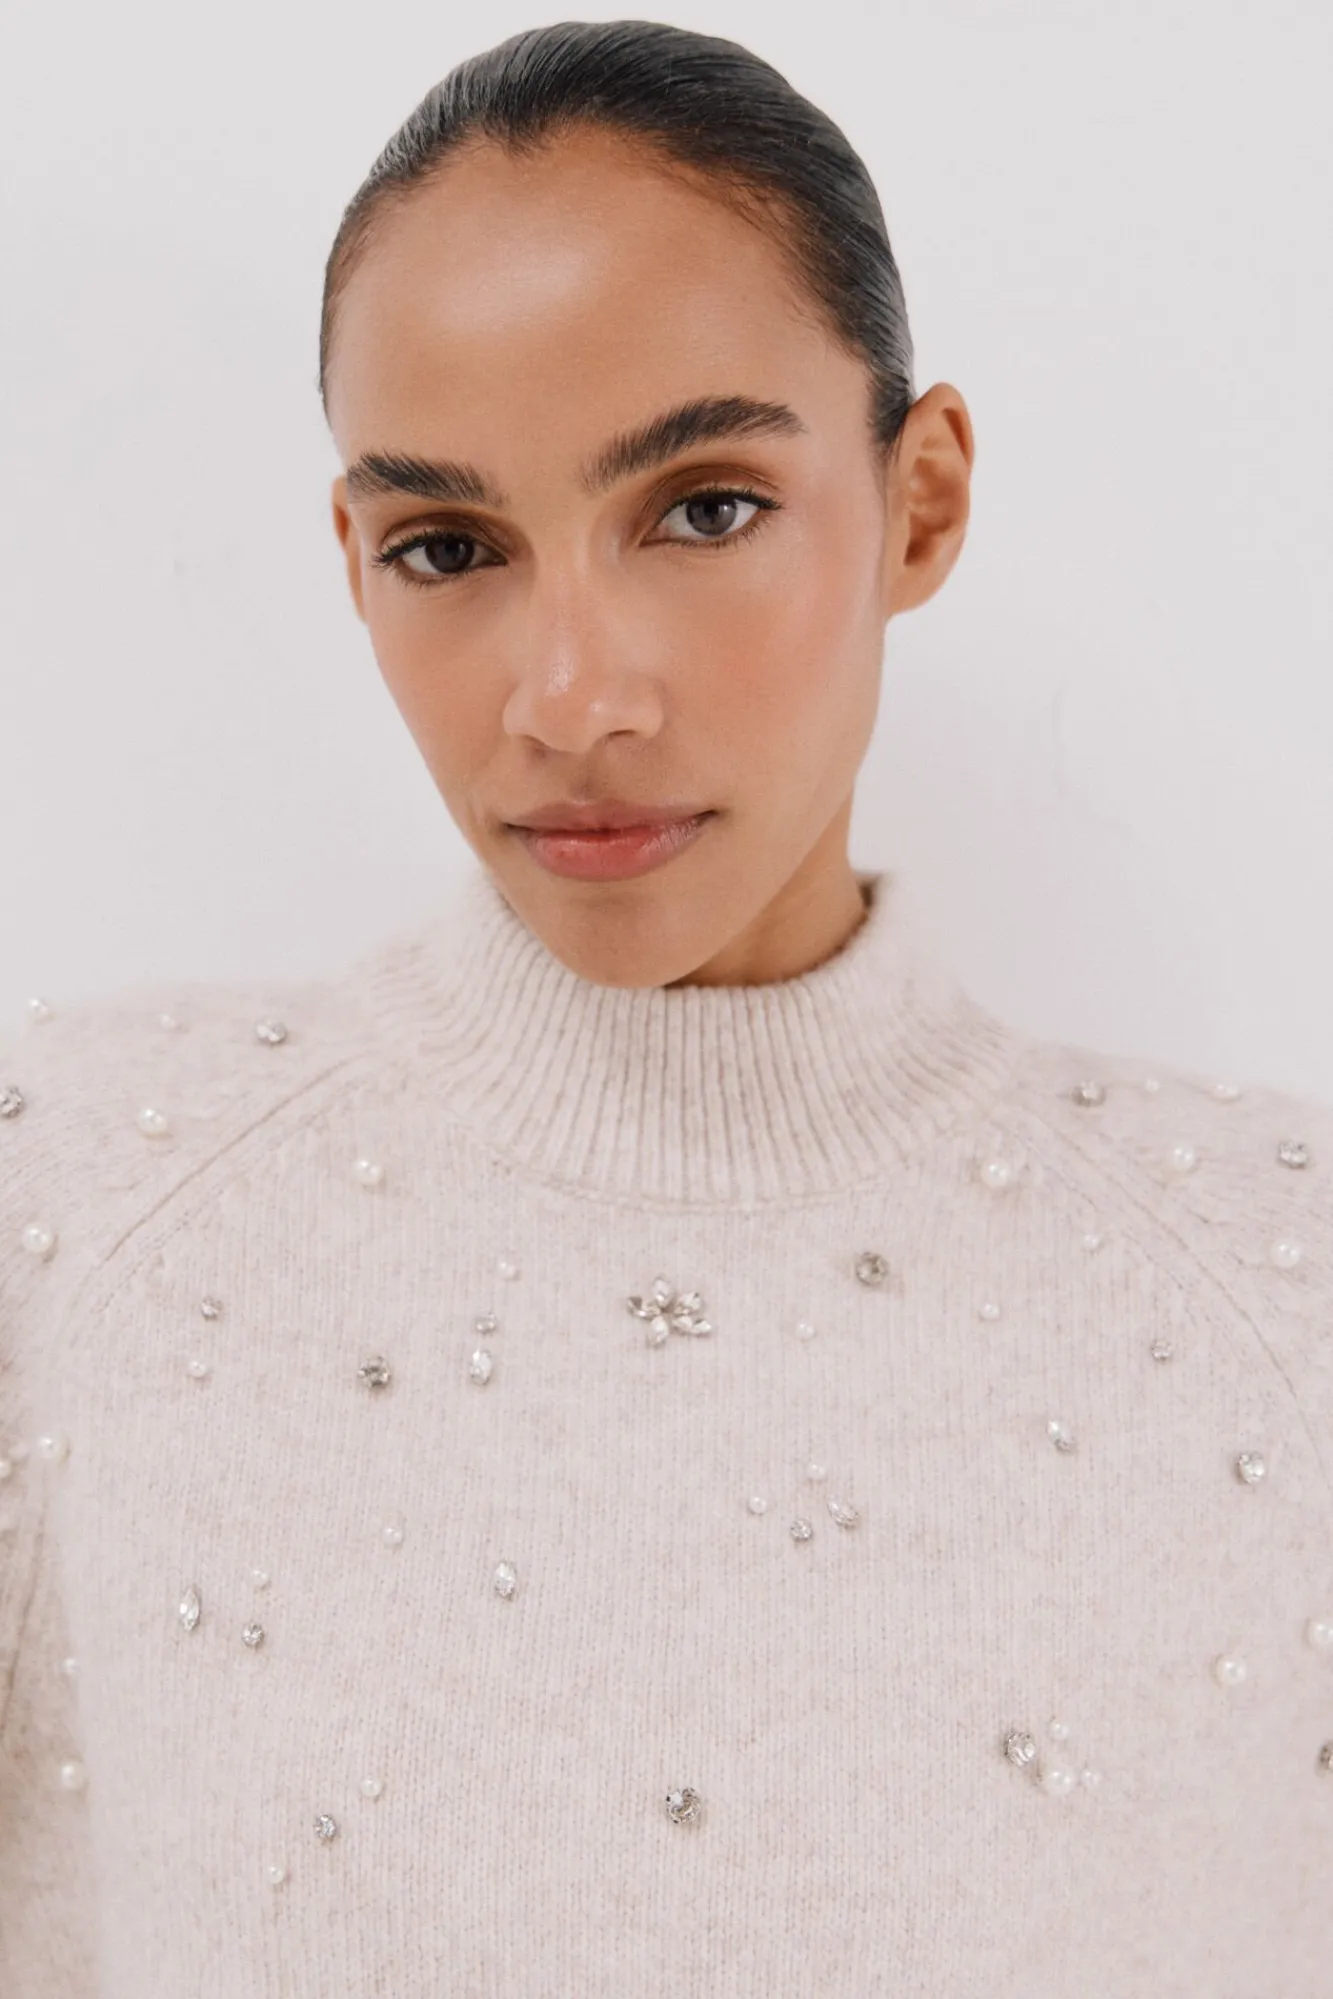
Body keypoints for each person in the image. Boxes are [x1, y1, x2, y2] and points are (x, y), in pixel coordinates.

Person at [2, 20, 1330, 1996]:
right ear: (355, 564)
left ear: (922, 500)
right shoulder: (73, 1220)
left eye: (704, 508)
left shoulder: (1277, 1295)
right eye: (448, 547)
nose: (571, 697)